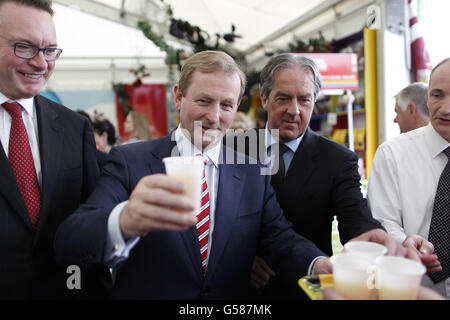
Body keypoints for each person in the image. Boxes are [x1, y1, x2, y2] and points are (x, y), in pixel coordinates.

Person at [53, 50, 336, 299]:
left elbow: (280, 238)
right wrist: (124, 221)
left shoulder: (251, 171)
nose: (214, 116)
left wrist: (318, 264)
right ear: (178, 96)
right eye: (204, 101)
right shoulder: (131, 161)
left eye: (226, 105)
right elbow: (71, 240)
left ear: (236, 107)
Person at [228, 53, 384, 298]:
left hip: (305, 288)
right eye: (284, 98)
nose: (294, 110)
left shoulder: (337, 159)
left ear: (314, 101)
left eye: (304, 100)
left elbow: (356, 219)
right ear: (265, 99)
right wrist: (239, 259)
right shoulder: (234, 149)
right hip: (240, 291)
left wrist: (379, 243)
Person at [0, 0, 110, 299]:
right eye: (24, 47)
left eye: (50, 50)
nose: (41, 63)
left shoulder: (75, 127)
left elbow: (90, 225)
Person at [367, 58, 450, 299]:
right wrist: (403, 242)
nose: (445, 108)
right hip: (412, 289)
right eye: (437, 95)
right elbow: (381, 221)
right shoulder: (393, 154)